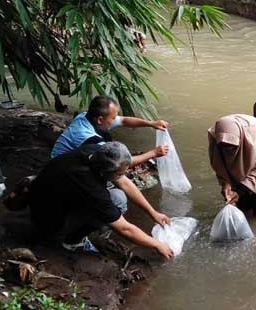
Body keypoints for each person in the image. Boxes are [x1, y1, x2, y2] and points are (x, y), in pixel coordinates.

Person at [29, 142, 172, 259]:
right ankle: (72, 241)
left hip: (44, 198)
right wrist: (157, 245)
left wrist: (153, 213)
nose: (125, 175)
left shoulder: (96, 152)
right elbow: (124, 228)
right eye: (121, 173)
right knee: (118, 200)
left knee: (116, 193)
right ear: (104, 173)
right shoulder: (91, 188)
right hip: (47, 220)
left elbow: (125, 183)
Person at [50, 95, 170, 229]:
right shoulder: (89, 138)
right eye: (113, 118)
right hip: (65, 176)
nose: (115, 120)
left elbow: (124, 120)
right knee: (118, 199)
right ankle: (78, 238)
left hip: (64, 165)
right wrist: (153, 153)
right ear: (100, 119)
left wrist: (151, 123)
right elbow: (122, 164)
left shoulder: (86, 117)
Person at [208, 114, 256, 216]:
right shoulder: (217, 137)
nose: (228, 150)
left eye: (232, 147)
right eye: (224, 147)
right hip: (245, 151)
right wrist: (226, 182)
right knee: (242, 205)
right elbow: (218, 162)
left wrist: (240, 191)